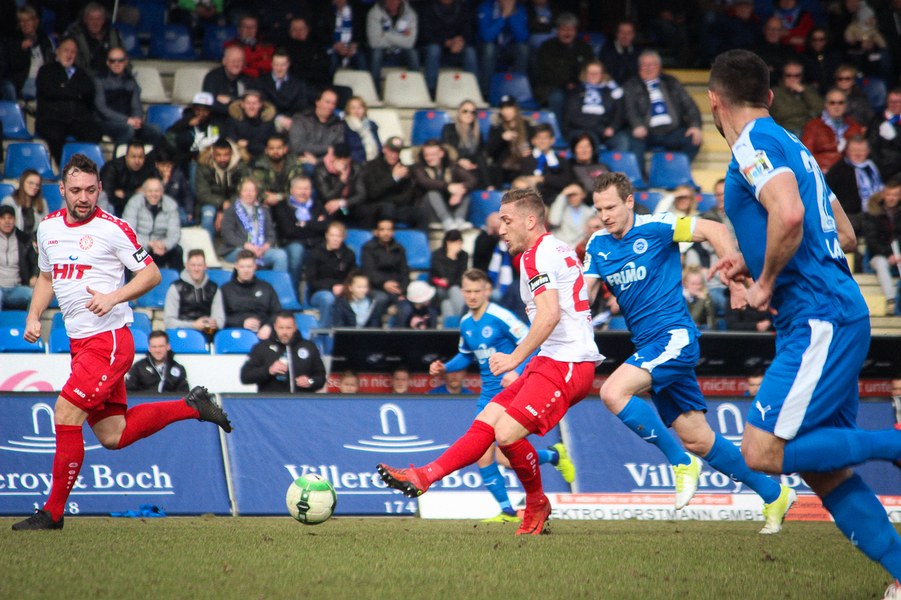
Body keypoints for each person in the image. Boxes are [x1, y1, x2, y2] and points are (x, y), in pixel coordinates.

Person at [707, 49, 901, 598]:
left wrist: (765, 280)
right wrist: (754, 257)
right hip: (833, 312)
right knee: (824, 468)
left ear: (714, 101)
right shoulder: (794, 145)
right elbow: (844, 234)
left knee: (760, 452)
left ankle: (893, 443)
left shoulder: (751, 144)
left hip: (817, 317)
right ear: (769, 96)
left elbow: (790, 214)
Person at [11, 154, 231, 531]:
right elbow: (46, 277)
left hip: (109, 341)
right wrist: (34, 315)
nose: (83, 197)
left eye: (90, 190)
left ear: (99, 189)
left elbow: (151, 274)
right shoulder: (47, 229)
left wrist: (113, 297)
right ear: (61, 189)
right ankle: (192, 406)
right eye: (76, 190)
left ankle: (52, 513)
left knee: (65, 412)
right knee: (113, 435)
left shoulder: (114, 228)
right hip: (80, 344)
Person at [378, 187, 603, 536]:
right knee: (486, 422)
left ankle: (536, 503)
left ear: (531, 220)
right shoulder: (554, 248)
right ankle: (424, 476)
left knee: (507, 434)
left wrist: (514, 358)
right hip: (552, 359)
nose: (501, 229)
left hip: (568, 362)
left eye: (507, 221)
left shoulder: (536, 256)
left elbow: (549, 315)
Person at [584, 171, 795, 523]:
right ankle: (775, 494)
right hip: (649, 346)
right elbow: (584, 295)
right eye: (599, 209)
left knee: (612, 392)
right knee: (699, 439)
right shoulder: (597, 244)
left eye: (610, 208)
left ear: (629, 201)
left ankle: (681, 464)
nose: (604, 216)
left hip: (674, 339)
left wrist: (735, 281)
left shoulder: (658, 227)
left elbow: (715, 230)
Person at [428, 267, 575, 521]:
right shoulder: (465, 323)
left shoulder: (500, 316)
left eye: (477, 291)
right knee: (483, 456)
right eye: (468, 291)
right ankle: (508, 510)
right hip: (487, 397)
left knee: (506, 455)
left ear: (487, 290)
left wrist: (516, 370)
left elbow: (534, 342)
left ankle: (554, 456)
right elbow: (466, 355)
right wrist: (445, 368)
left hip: (513, 393)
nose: (472, 296)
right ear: (462, 292)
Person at [623, 50, 703, 165]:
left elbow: (689, 105)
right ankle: (640, 176)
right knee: (633, 142)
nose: (648, 68)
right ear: (639, 67)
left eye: (652, 64)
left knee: (693, 139)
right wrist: (637, 125)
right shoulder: (631, 85)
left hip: (673, 131)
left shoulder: (671, 82)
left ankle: (676, 170)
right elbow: (629, 108)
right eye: (645, 65)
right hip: (647, 132)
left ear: (659, 67)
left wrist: (695, 125)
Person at [34, 37, 102, 165]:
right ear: (57, 51)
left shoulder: (82, 74)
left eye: (73, 52)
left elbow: (89, 94)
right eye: (66, 50)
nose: (69, 55)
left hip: (77, 119)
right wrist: (75, 93)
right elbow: (50, 92)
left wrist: (64, 88)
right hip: (52, 119)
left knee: (94, 132)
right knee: (55, 135)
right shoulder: (46, 71)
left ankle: (82, 165)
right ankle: (65, 166)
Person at [531, 13, 595, 128]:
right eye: (563, 29)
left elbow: (588, 69)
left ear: (575, 31)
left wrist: (575, 82)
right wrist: (566, 84)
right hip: (552, 87)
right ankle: (558, 132)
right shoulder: (547, 47)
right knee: (557, 97)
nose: (567, 33)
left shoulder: (584, 47)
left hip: (579, 85)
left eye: (571, 29)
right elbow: (545, 73)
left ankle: (582, 133)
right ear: (557, 31)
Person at [240, 311, 326, 393]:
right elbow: (245, 376)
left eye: (288, 328)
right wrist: (268, 370)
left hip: (301, 401)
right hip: (270, 402)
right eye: (281, 328)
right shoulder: (261, 347)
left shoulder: (309, 347)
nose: (284, 332)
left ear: (295, 327)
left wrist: (310, 381)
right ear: (275, 327)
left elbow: (321, 376)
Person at [94, 47, 162, 146]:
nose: (117, 63)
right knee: (128, 130)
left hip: (130, 122)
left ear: (126, 62)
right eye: (113, 61)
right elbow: (102, 108)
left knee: (155, 131)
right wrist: (126, 120)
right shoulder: (99, 80)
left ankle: (149, 156)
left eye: (120, 60)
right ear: (108, 63)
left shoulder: (131, 81)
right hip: (106, 122)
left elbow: (136, 106)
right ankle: (119, 156)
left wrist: (137, 119)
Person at [273, 174, 328, 292]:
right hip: (292, 243)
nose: (303, 192)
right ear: (292, 190)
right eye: (300, 188)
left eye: (307, 188)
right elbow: (289, 231)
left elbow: (325, 226)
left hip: (316, 243)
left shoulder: (317, 205)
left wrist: (305, 224)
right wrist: (314, 224)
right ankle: (293, 293)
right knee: (297, 251)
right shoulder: (282, 206)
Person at [219, 177, 288, 272]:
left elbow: (271, 234)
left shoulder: (264, 210)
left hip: (261, 249)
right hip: (237, 249)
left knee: (281, 255)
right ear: (240, 192)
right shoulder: (231, 211)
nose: (249, 194)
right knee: (246, 256)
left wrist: (265, 246)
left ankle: (277, 282)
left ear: (256, 193)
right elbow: (228, 235)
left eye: (252, 191)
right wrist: (246, 245)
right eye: (245, 191)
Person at [359, 137, 427, 230]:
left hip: (398, 208)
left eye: (397, 152)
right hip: (376, 208)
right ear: (384, 150)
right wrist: (394, 178)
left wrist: (389, 199)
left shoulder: (403, 169)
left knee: (420, 212)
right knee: (387, 207)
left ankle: (419, 237)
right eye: (391, 151)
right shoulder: (371, 167)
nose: (394, 155)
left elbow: (406, 197)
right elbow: (372, 193)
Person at [412, 139, 477, 232]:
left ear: (441, 154)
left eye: (433, 155)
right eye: (426, 155)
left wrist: (459, 192)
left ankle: (459, 220)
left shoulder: (451, 166)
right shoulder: (418, 167)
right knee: (433, 192)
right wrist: (448, 187)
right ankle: (447, 221)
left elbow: (472, 180)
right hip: (428, 210)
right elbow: (425, 182)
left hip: (449, 206)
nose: (429, 158)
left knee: (464, 189)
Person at [121, 177, 184, 272]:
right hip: (141, 245)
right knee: (128, 252)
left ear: (162, 192)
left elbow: (175, 233)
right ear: (144, 192)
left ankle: (177, 280)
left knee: (178, 251)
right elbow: (128, 232)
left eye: (157, 191)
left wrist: (165, 244)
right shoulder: (134, 203)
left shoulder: (171, 205)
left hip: (161, 245)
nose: (153, 194)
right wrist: (148, 243)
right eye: (150, 191)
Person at [564, 60, 628, 151]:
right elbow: (573, 117)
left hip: (605, 131)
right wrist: (600, 128)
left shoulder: (610, 91)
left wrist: (613, 127)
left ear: (602, 75)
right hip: (582, 130)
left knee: (622, 139)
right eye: (590, 73)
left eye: (597, 73)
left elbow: (619, 112)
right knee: (591, 139)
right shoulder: (576, 92)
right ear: (585, 74)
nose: (593, 75)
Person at [826, 135, 884, 235]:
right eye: (853, 151)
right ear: (847, 151)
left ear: (868, 151)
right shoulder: (837, 170)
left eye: (862, 151)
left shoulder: (873, 167)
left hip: (875, 211)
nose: (858, 154)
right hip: (850, 215)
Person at [218, 249, 281, 340]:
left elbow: (277, 312)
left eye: (249, 266)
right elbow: (219, 317)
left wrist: (268, 326)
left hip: (263, 333)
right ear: (236, 266)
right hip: (236, 334)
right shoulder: (225, 289)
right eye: (242, 267)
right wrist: (241, 323)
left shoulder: (266, 287)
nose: (246, 270)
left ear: (255, 267)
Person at [195, 137, 250, 240]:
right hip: (211, 203)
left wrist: (227, 206)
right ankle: (208, 248)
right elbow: (202, 194)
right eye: (219, 155)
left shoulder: (240, 166)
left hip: (235, 203)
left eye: (226, 155)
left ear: (231, 154)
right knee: (207, 217)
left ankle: (242, 246)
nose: (222, 158)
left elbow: (244, 191)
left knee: (244, 215)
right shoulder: (204, 166)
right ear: (213, 154)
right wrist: (222, 204)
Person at [419, 0, 478, 94]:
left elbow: (469, 31)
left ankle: (473, 90)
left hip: (457, 48)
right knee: (434, 50)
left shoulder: (463, 8)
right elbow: (425, 35)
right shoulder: (428, 8)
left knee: (470, 52)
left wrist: (460, 41)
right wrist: (446, 42)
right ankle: (430, 91)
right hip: (437, 47)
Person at [163, 249, 225, 338]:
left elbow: (220, 321)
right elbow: (169, 322)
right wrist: (194, 325)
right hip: (181, 334)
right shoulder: (175, 288)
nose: (196, 269)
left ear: (205, 267)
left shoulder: (214, 288)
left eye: (199, 265)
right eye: (193, 265)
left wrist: (212, 324)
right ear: (187, 266)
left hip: (207, 333)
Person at [306, 222, 358, 328]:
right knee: (328, 298)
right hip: (318, 292)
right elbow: (311, 281)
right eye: (332, 235)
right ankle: (323, 331)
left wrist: (344, 287)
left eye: (338, 236)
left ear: (343, 237)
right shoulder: (316, 253)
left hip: (343, 291)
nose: (335, 239)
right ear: (327, 236)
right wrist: (332, 287)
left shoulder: (349, 254)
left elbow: (352, 275)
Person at [800, 87, 864, 172]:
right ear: (826, 105)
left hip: (849, 171)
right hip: (823, 170)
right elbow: (806, 154)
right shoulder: (813, 126)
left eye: (840, 103)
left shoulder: (854, 126)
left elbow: (861, 152)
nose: (836, 106)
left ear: (846, 105)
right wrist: (819, 170)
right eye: (832, 103)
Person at [475, 0, 529, 96]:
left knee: (523, 49)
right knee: (489, 49)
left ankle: (518, 92)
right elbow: (487, 36)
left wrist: (511, 16)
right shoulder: (486, 6)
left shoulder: (520, 8)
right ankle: (485, 94)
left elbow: (522, 37)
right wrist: (503, 16)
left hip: (509, 48)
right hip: (490, 48)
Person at [863, 180, 901, 312]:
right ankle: (891, 300)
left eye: (895, 195)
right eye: (889, 194)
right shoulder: (873, 215)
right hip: (880, 255)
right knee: (880, 263)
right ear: (884, 195)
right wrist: (889, 254)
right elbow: (872, 241)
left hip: (899, 254)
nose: (891, 198)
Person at [5, 5, 56, 100]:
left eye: (28, 20)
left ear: (36, 22)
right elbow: (12, 68)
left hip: (44, 79)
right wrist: (21, 50)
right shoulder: (14, 41)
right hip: (25, 80)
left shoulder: (44, 39)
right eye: (22, 21)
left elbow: (51, 60)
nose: (25, 24)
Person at [366, 0, 420, 90]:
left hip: (401, 50)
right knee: (376, 54)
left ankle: (415, 89)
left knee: (413, 54)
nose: (392, 2)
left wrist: (386, 35)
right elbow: (374, 42)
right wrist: (400, 36)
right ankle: (374, 90)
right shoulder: (375, 13)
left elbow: (410, 43)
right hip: (383, 50)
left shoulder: (410, 14)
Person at [100, 142, 160, 217]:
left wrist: (125, 194)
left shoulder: (149, 169)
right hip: (115, 209)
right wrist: (136, 193)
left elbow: (154, 194)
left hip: (138, 210)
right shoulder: (112, 168)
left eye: (140, 157)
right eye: (133, 157)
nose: (137, 161)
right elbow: (107, 196)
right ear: (126, 157)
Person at [288, 88, 344, 168]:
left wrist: (318, 161)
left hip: (326, 162)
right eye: (327, 102)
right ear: (317, 102)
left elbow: (338, 151)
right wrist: (328, 148)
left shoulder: (338, 124)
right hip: (301, 159)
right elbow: (297, 146)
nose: (331, 106)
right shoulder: (301, 119)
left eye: (333, 103)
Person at [441, 100, 491, 189]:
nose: (469, 114)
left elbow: (480, 154)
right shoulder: (449, 129)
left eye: (473, 112)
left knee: (487, 167)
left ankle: (489, 188)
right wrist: (459, 161)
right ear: (459, 113)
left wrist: (472, 164)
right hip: (455, 164)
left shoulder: (478, 133)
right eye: (465, 111)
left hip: (472, 165)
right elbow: (446, 149)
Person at [360, 218, 410, 306]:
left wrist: (402, 290)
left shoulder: (399, 249)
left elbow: (404, 271)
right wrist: (384, 283)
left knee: (407, 303)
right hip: (375, 287)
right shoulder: (368, 248)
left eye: (389, 230)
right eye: (382, 229)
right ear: (376, 232)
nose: (386, 233)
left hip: (396, 287)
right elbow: (369, 272)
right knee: (381, 299)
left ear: (393, 232)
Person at [65, 2, 123, 75]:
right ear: (85, 20)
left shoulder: (113, 35)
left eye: (98, 19)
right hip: (86, 76)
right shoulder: (76, 36)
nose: (95, 23)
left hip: (112, 76)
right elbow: (76, 63)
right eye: (91, 19)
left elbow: (123, 58)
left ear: (103, 20)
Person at [769, 60, 824, 138]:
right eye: (788, 75)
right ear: (783, 76)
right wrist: (809, 113)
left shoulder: (807, 90)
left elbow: (821, 108)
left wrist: (804, 91)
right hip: (787, 129)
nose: (793, 79)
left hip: (808, 128)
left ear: (801, 76)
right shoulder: (776, 92)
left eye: (797, 75)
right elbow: (784, 113)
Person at [124, 330, 190, 393]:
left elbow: (184, 394)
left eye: (161, 346)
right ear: (149, 348)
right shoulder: (138, 367)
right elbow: (129, 392)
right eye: (154, 347)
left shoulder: (178, 368)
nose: (157, 350)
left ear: (168, 347)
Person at [0, 204, 37, 310]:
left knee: (34, 295)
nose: (7, 221)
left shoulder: (24, 239)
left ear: (15, 220)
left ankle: (30, 321)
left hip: (17, 287)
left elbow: (35, 262)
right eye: (3, 218)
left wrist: (34, 275)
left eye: (10, 218)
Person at [224, 89, 277, 158]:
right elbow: (231, 137)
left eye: (254, 103)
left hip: (264, 155)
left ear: (260, 105)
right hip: (240, 156)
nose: (251, 107)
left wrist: (250, 145)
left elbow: (273, 140)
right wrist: (237, 141)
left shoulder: (268, 122)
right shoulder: (233, 120)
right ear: (242, 104)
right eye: (248, 103)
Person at [429, 229, 468, 319]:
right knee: (453, 290)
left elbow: (461, 278)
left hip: (455, 288)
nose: (458, 245)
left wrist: (449, 282)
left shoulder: (464, 255)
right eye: (455, 242)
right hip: (439, 289)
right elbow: (441, 275)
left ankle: (452, 325)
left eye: (460, 242)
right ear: (448, 243)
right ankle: (462, 318)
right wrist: (451, 257)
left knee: (447, 304)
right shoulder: (437, 255)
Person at [202, 46, 251, 117]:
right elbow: (208, 103)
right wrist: (237, 105)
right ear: (224, 61)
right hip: (217, 117)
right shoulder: (212, 77)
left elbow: (250, 103)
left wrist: (231, 99)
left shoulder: (247, 79)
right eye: (233, 61)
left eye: (240, 61)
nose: (236, 64)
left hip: (240, 118)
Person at [223, 14, 274, 79]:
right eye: (245, 26)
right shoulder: (231, 46)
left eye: (253, 27)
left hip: (262, 80)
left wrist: (248, 64)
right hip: (239, 79)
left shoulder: (266, 46)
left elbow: (271, 65)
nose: (249, 29)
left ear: (257, 29)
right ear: (239, 29)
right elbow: (233, 67)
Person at [1, 169, 46, 240]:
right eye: (31, 183)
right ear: (22, 183)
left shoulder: (42, 202)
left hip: (34, 241)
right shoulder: (9, 202)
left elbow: (45, 227)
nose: (34, 187)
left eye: (37, 185)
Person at [868, 88, 901, 181]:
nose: (895, 105)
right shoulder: (877, 120)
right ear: (886, 102)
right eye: (892, 102)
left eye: (898, 102)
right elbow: (872, 147)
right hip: (885, 170)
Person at [547, 183, 593, 247]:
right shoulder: (560, 208)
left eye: (575, 194)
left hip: (579, 248)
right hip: (560, 245)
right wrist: (562, 195)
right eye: (569, 195)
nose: (572, 197)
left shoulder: (589, 212)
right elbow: (554, 221)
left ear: (583, 194)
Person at [343, 96, 381, 165]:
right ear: (348, 110)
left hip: (374, 162)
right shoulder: (344, 126)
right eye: (353, 108)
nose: (356, 111)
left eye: (359, 107)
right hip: (356, 163)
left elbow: (378, 144)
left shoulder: (371, 125)